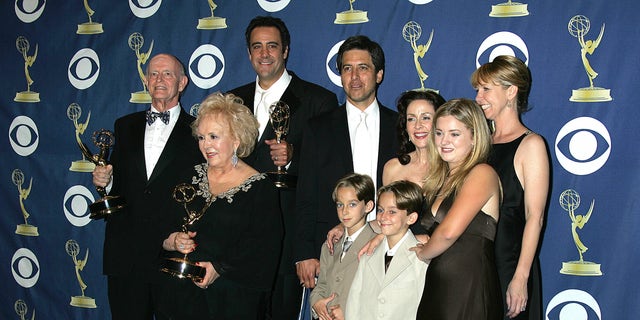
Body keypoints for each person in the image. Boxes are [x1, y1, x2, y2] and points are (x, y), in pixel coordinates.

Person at [228, 16, 338, 318]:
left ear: (285, 50)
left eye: (272, 46)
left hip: (289, 241)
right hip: (238, 242)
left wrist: (293, 157)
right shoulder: (231, 101)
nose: (264, 54)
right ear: (249, 53)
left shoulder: (319, 101)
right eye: (257, 47)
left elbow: (329, 174)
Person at [92, 53, 202, 319]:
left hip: (172, 250)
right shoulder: (124, 126)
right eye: (153, 74)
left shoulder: (199, 131)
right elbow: (121, 184)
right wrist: (103, 182)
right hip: (125, 252)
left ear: (182, 82)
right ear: (145, 81)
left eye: (167, 74)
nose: (159, 80)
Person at [161, 92, 283, 319]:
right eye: (201, 137)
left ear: (236, 140)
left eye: (214, 136)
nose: (206, 145)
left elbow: (264, 247)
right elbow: (163, 225)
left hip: (235, 299)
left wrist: (218, 268)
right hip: (184, 299)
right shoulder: (188, 177)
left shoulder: (259, 187)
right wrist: (173, 240)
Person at [294, 35, 398, 289]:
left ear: (379, 75)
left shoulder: (400, 126)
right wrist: (305, 252)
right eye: (347, 69)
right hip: (333, 248)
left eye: (363, 68)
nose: (354, 77)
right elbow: (306, 193)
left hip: (388, 243)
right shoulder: (317, 128)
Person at [411, 98, 502, 319]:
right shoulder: (441, 179)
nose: (444, 141)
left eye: (454, 134)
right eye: (439, 133)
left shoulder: (482, 173)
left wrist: (424, 252)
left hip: (469, 289)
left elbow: (449, 232)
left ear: (474, 137)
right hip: (439, 289)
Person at [472, 55, 548, 319]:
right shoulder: (479, 145)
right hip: (476, 265)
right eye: (477, 90)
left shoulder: (531, 145)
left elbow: (534, 218)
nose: (478, 97)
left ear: (511, 91)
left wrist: (520, 277)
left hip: (509, 264)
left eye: (486, 90)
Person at [344, 180, 428, 320]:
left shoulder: (420, 259)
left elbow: (423, 307)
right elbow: (354, 301)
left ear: (411, 218)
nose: (383, 217)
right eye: (381, 210)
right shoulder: (368, 256)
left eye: (392, 211)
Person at [310, 173, 376, 320]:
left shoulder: (374, 245)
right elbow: (321, 285)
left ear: (368, 206)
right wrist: (317, 303)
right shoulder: (329, 246)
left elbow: (374, 294)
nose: (344, 211)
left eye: (352, 204)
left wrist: (347, 311)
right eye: (340, 204)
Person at [383, 89, 446, 185]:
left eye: (425, 118)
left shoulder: (452, 168)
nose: (417, 125)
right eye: (411, 119)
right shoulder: (393, 168)